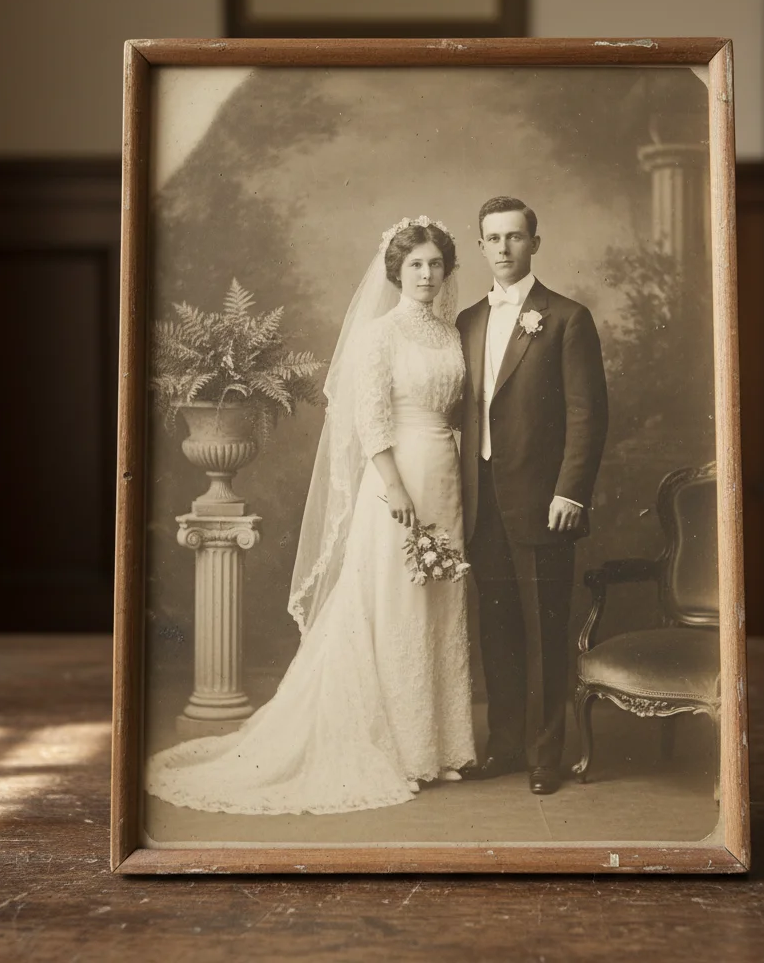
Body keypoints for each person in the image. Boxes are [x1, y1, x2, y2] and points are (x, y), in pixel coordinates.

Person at [146, 216, 476, 815]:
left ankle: (440, 748)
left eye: (435, 265)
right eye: (415, 266)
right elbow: (370, 419)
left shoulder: (448, 333)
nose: (427, 276)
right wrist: (395, 487)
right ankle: (402, 748)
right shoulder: (380, 335)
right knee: (395, 604)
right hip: (396, 482)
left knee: (436, 603)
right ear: (395, 273)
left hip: (446, 477)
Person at [456, 196, 608, 796]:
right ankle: (506, 745)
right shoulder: (468, 319)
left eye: (514, 237)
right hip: (481, 501)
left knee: (544, 631)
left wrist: (571, 491)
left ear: (534, 244)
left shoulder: (567, 318)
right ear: (480, 246)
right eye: (492, 239)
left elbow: (587, 415)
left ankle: (547, 754)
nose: (503, 249)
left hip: (543, 501)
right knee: (496, 629)